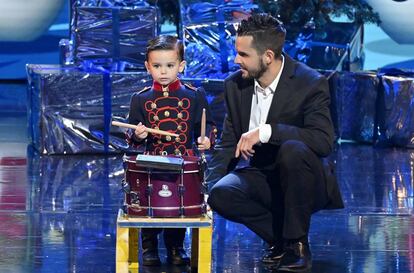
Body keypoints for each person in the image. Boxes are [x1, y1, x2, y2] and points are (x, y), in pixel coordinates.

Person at [206, 13, 344, 272]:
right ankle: (282, 241)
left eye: (244, 55)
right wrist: (206, 190)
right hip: (260, 176)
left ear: (267, 56)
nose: (237, 60)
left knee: (292, 149)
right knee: (220, 194)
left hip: (302, 178)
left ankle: (297, 244)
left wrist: (267, 131)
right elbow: (227, 144)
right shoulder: (236, 86)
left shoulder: (310, 83)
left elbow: (323, 141)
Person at [126, 35, 216, 266]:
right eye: (157, 66)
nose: (163, 71)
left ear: (181, 66)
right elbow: (130, 135)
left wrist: (206, 139)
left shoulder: (194, 95)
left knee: (179, 204)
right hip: (152, 160)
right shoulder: (140, 98)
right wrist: (138, 134)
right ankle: (149, 246)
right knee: (150, 200)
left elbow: (207, 127)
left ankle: (176, 246)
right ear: (148, 67)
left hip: (182, 161)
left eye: (170, 65)